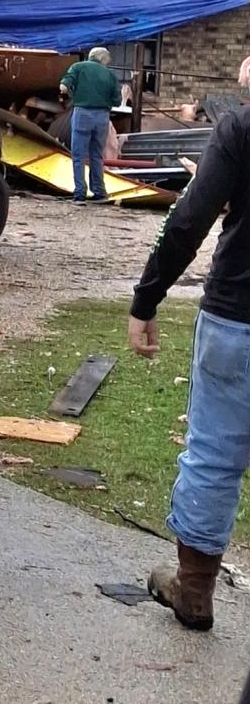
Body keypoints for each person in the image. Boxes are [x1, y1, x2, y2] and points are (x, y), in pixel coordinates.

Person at [128, 54, 250, 631]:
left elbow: (187, 221)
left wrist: (146, 299)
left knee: (214, 456)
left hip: (237, 319)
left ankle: (195, 588)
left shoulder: (239, 131)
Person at [60, 47, 121, 202]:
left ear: (91, 56)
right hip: (102, 117)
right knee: (97, 155)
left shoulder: (78, 67)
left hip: (82, 113)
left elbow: (63, 87)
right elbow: (117, 101)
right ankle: (99, 193)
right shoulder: (110, 75)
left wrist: (73, 93)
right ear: (103, 59)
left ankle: (80, 193)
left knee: (79, 155)